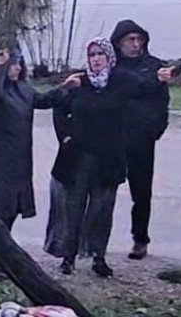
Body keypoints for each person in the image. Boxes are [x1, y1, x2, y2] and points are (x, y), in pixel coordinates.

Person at [0, 47, 68, 280]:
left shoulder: (23, 88)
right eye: (13, 63)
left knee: (9, 212)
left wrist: (66, 88)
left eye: (19, 63)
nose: (18, 67)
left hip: (17, 162)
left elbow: (41, 100)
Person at [44, 38, 129, 278]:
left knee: (102, 209)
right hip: (78, 157)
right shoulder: (78, 82)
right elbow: (58, 106)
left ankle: (98, 256)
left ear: (109, 56)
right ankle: (68, 256)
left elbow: (142, 97)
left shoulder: (119, 82)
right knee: (72, 208)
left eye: (101, 54)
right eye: (92, 54)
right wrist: (66, 138)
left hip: (108, 159)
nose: (96, 59)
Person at [110, 20, 176, 260]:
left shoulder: (154, 66)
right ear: (119, 43)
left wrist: (155, 129)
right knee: (103, 191)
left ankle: (140, 239)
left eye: (139, 39)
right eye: (131, 40)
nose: (136, 44)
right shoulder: (111, 67)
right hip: (113, 138)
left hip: (142, 140)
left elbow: (162, 103)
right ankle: (95, 243)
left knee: (142, 193)